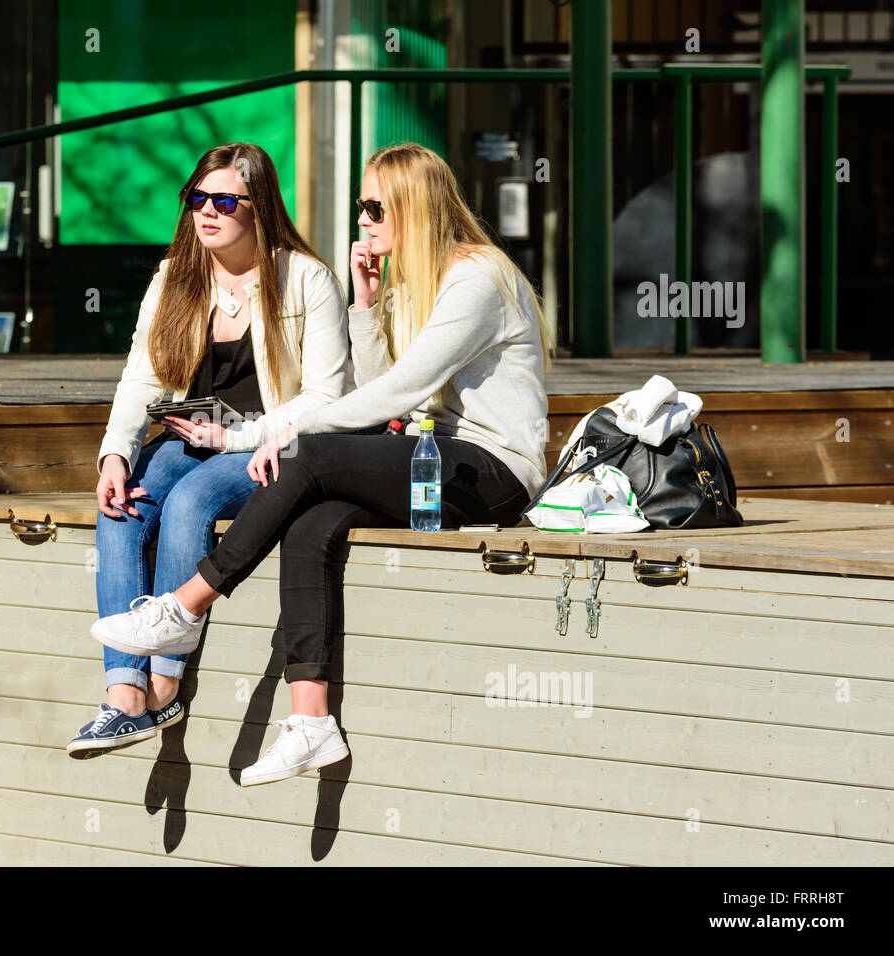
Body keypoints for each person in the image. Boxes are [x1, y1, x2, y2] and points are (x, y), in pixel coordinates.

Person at [90, 142, 555, 785]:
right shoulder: (417, 278)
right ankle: (312, 722)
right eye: (361, 207)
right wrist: (366, 304)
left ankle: (187, 604)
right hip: (431, 455)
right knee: (312, 524)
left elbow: (391, 396)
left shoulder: (476, 277)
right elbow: (378, 388)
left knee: (307, 456)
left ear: (412, 209)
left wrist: (246, 437)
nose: (361, 220)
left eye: (373, 208)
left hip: (493, 469)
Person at [69, 143, 350, 757]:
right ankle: (124, 696)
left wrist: (241, 436)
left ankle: (165, 684)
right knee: (122, 503)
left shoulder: (306, 278)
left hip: (264, 445)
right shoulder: (176, 276)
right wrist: (114, 455)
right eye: (197, 198)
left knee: (191, 501)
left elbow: (329, 393)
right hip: (188, 434)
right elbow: (141, 378)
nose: (207, 211)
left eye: (225, 200)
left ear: (261, 208)